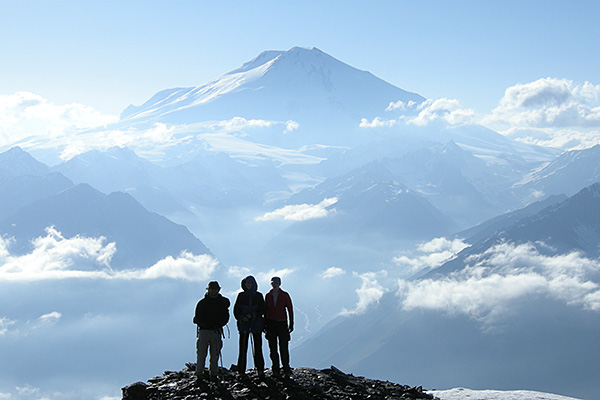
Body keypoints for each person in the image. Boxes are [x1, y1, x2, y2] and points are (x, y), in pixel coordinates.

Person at [193, 281, 230, 382]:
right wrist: (216, 324)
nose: (214, 290)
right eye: (212, 289)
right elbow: (198, 317)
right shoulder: (219, 303)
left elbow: (197, 318)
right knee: (203, 353)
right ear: (209, 289)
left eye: (215, 289)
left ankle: (210, 373)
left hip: (211, 330)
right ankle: (204, 373)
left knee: (213, 354)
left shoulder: (204, 303)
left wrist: (217, 324)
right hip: (208, 330)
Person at [233, 275, 265, 378]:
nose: (248, 285)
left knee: (256, 348)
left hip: (252, 325)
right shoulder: (243, 296)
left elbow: (263, 309)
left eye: (250, 283)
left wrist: (246, 317)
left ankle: (258, 370)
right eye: (247, 283)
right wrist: (244, 318)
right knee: (244, 348)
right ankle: (243, 371)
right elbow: (236, 311)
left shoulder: (257, 296)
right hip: (249, 325)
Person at [264, 276, 294, 378]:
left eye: (276, 282)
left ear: (279, 283)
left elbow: (290, 309)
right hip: (272, 323)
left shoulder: (284, 295)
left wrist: (291, 323)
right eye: (273, 282)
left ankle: (286, 368)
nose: (274, 284)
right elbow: (265, 310)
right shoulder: (268, 295)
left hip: (281, 323)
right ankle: (275, 369)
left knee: (283, 347)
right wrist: (265, 324)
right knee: (273, 348)